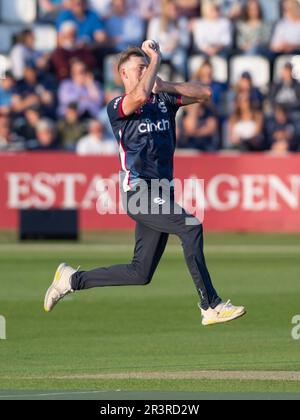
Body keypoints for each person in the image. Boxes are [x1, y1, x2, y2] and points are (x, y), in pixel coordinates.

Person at [44, 41, 246, 326]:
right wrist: (155, 60)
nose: (144, 72)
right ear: (123, 76)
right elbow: (138, 97)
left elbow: (205, 93)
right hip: (138, 192)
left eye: (146, 67)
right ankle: (210, 305)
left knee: (140, 273)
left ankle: (71, 280)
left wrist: (163, 84)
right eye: (138, 68)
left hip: (161, 191)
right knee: (190, 226)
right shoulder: (117, 106)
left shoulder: (162, 100)